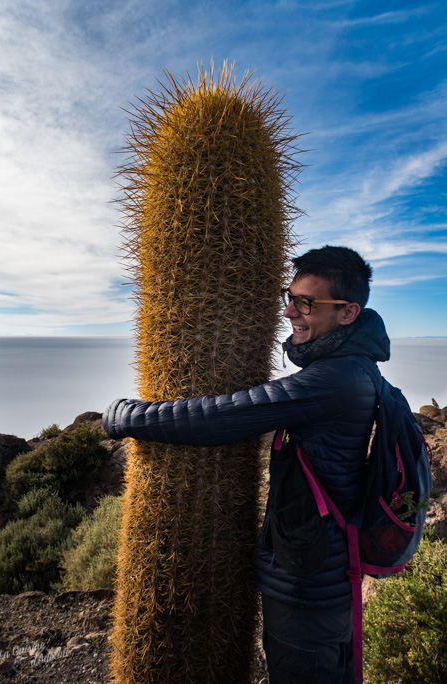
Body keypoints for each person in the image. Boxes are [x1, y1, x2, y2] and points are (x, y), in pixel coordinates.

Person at [103, 245, 390, 684]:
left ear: (348, 313)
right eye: (289, 297)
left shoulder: (333, 379)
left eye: (306, 303)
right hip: (323, 570)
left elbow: (225, 415)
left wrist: (127, 416)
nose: (290, 311)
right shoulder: (356, 367)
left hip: (307, 584)